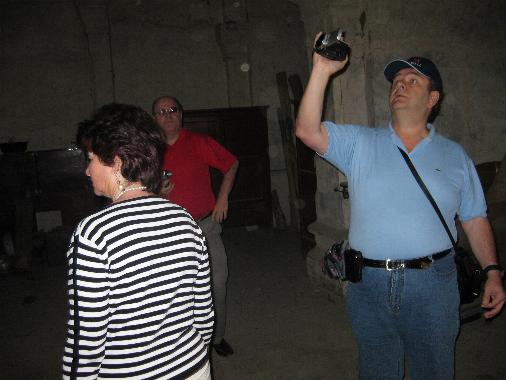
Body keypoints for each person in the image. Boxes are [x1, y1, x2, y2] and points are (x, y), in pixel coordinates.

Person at [295, 35, 505, 379]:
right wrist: (321, 68)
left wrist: (493, 271)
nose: (401, 86)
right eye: (396, 81)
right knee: (377, 371)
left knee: (434, 370)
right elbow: (306, 130)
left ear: (432, 98)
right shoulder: (360, 142)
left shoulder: (455, 156)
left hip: (434, 283)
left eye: (412, 80)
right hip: (369, 283)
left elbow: (474, 217)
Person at [62, 103, 214, 380]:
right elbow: (203, 312)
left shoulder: (93, 233)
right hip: (193, 367)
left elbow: (86, 340)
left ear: (117, 162)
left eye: (91, 159)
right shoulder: (185, 218)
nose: (87, 171)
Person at [152, 96, 239, 357]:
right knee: (172, 291)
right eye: (161, 112)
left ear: (181, 114)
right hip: (166, 231)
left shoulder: (199, 142)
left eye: (172, 110)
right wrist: (158, 190)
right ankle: (177, 342)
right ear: (154, 118)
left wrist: (223, 197)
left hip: (204, 227)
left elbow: (232, 163)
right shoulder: (149, 150)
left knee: (217, 283)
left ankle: (216, 336)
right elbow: (135, 190)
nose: (168, 115)